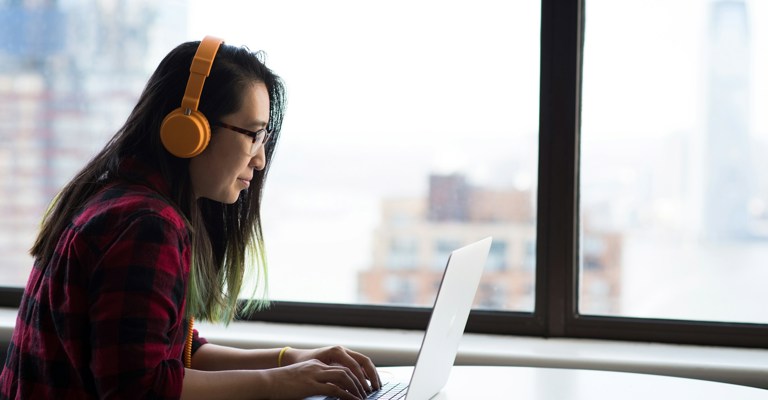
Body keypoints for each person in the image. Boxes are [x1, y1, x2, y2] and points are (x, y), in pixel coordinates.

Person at [0, 36, 381, 400]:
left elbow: (175, 352)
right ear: (190, 130)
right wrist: (277, 383)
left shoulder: (119, 199)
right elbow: (140, 388)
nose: (260, 159)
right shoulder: (146, 224)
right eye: (252, 135)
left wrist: (291, 359)